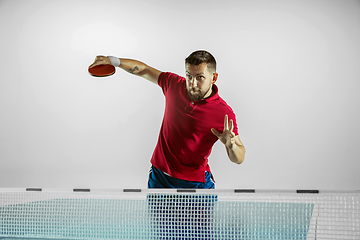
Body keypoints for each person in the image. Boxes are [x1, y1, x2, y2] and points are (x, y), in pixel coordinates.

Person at [89, 50, 245, 189]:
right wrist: (112, 60)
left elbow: (239, 157)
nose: (192, 83)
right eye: (189, 76)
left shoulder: (224, 113)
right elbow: (144, 70)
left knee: (198, 224)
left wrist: (231, 146)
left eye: (200, 77)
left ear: (214, 78)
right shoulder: (174, 85)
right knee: (159, 223)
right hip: (160, 179)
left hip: (195, 184)